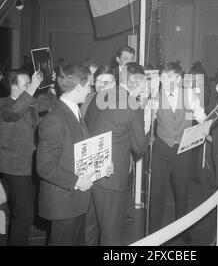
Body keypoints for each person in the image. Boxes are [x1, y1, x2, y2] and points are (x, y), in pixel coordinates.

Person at [36, 64, 112, 246]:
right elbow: (45, 167)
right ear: (78, 87)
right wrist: (76, 181)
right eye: (89, 85)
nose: (91, 89)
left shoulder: (74, 111)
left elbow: (78, 152)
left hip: (76, 201)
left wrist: (101, 167)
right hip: (63, 201)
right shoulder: (55, 119)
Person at [84, 62, 148, 246]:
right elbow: (139, 147)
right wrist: (140, 109)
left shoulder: (98, 97)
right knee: (111, 235)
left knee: (90, 229)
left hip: (91, 173)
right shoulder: (132, 105)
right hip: (112, 178)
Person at [148, 62, 206, 244]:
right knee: (157, 191)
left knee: (182, 191)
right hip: (161, 148)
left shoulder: (188, 94)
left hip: (183, 149)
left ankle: (182, 230)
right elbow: (146, 121)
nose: (165, 80)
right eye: (163, 77)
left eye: (170, 77)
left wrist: (207, 126)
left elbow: (200, 114)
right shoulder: (155, 96)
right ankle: (153, 231)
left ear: (179, 79)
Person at [0, 69, 55, 245]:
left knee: (26, 212)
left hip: (29, 165)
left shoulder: (29, 103)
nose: (31, 87)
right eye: (25, 84)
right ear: (13, 87)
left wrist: (51, 85)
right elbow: (14, 113)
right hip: (14, 167)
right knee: (23, 214)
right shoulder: (4, 104)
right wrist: (32, 87)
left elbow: (46, 102)